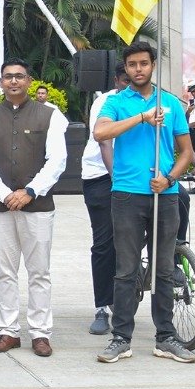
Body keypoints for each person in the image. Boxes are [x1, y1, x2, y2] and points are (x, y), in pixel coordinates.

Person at [92, 41, 195, 364]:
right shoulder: (115, 102)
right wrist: (142, 117)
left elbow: (187, 153)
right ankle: (121, 338)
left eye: (143, 63)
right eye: (132, 64)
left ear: (153, 66)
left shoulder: (171, 103)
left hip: (163, 195)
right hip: (126, 194)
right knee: (126, 269)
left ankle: (165, 337)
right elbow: (101, 133)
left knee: (163, 269)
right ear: (125, 69)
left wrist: (170, 179)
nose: (138, 69)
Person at [0, 60, 67, 357]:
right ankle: (8, 331)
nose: (13, 81)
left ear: (29, 81)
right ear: (0, 82)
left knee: (39, 271)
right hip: (0, 207)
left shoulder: (49, 115)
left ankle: (40, 333)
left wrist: (30, 191)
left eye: (19, 77)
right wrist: (4, 194)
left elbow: (57, 160)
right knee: (5, 271)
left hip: (38, 206)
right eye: (8, 77)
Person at [80, 69, 127, 336]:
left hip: (137, 174)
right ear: (117, 80)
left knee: (180, 200)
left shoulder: (153, 101)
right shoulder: (106, 102)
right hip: (101, 175)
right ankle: (102, 307)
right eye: (125, 79)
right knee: (104, 242)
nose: (131, 84)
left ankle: (175, 259)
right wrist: (116, 180)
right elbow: (105, 142)